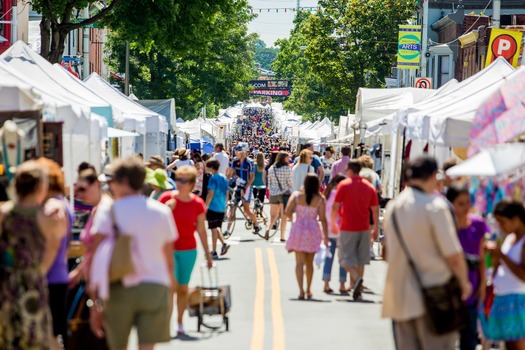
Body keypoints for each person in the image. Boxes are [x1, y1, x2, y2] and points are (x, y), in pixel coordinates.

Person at [382, 156, 471, 350]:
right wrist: (464, 283)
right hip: (434, 294)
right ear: (433, 176)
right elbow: (453, 255)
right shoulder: (435, 208)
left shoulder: (393, 208)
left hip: (400, 295)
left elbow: (387, 254)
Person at [89, 157, 177, 350]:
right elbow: (169, 259)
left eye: (112, 181)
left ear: (124, 182)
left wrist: (94, 298)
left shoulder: (109, 212)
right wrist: (170, 292)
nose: (110, 186)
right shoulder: (161, 212)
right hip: (155, 286)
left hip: (119, 287)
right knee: (147, 347)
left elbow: (94, 257)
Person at [0, 161, 68, 349]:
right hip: (33, 287)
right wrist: (36, 271)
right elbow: (54, 249)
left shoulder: (3, 214)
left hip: (6, 286)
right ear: (41, 186)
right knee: (35, 339)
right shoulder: (49, 218)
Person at [158, 165, 213, 336]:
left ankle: (179, 322)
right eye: (177, 179)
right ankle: (164, 322)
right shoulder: (166, 198)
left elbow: (202, 230)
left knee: (183, 288)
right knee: (170, 287)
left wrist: (208, 253)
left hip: (188, 250)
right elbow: (154, 224)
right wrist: (166, 209)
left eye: (183, 180)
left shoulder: (197, 203)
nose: (179, 183)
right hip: (168, 250)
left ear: (191, 183)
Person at [37, 158, 75, 349]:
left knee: (50, 334)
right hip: (58, 273)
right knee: (53, 333)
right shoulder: (63, 203)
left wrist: (39, 273)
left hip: (50, 277)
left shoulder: (53, 207)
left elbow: (52, 245)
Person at [446, 185, 489, 350]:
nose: (465, 207)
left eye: (467, 202)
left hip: (471, 286)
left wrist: (482, 285)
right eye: (460, 203)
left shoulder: (478, 224)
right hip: (448, 288)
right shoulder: (445, 226)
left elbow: (481, 257)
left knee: (469, 338)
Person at [331, 160, 379, 300]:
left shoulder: (344, 185)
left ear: (351, 171)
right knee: (360, 259)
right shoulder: (369, 186)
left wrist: (334, 223)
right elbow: (375, 210)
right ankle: (356, 285)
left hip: (347, 226)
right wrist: (375, 228)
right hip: (364, 227)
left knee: (344, 258)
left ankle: (357, 279)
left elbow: (335, 206)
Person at [480, 199, 525, 349]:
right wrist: (494, 257)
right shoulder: (510, 238)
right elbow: (502, 268)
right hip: (504, 299)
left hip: (518, 301)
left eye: (502, 221)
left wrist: (501, 254)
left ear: (516, 219)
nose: (500, 226)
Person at [285, 174, 329, 300]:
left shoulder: (297, 196)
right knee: (309, 263)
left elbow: (287, 211)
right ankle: (309, 289)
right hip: (313, 230)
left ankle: (301, 291)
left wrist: (294, 219)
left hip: (298, 229)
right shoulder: (320, 199)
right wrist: (326, 237)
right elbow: (323, 219)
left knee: (299, 263)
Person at [227, 142, 261, 234]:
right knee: (232, 208)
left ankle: (256, 224)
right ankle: (227, 230)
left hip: (247, 186)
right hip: (238, 186)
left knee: (246, 209)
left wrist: (245, 187)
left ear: (243, 152)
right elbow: (230, 173)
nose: (236, 152)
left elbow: (252, 177)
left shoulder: (249, 162)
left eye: (237, 151)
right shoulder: (234, 161)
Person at [322, 175, 348, 294]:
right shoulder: (340, 195)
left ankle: (326, 283)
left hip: (328, 229)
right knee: (343, 258)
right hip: (341, 228)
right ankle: (342, 284)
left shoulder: (327, 195)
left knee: (329, 257)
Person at [205, 159, 230, 260]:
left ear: (211, 168)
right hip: (222, 206)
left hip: (213, 206)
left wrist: (205, 205)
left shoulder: (213, 178)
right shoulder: (224, 178)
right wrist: (225, 204)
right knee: (216, 227)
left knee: (213, 229)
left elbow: (210, 193)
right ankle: (223, 244)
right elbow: (227, 193)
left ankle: (214, 251)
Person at [267, 151, 293, 242]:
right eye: (287, 158)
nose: (289, 159)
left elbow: (269, 182)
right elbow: (290, 182)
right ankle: (282, 236)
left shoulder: (271, 168)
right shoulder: (287, 168)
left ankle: (268, 229)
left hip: (273, 194)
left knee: (274, 215)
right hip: (284, 194)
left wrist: (271, 191)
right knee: (284, 216)